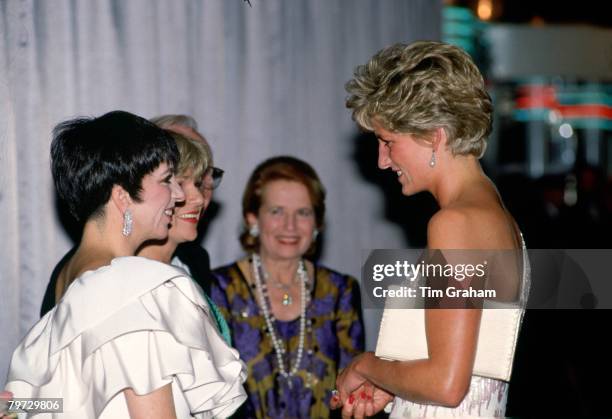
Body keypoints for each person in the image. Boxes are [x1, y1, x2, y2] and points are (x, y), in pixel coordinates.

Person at [332, 41, 529, 418]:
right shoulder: (493, 215)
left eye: (389, 142)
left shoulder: (455, 223)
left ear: (434, 136)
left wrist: (366, 365)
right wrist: (394, 384)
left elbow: (446, 384)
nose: (382, 160)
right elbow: (474, 367)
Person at [5, 111, 246, 418]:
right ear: (122, 196)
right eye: (167, 180)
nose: (178, 195)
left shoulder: (79, 283)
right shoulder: (133, 289)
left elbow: (59, 402)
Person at [211, 156, 365, 418]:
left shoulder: (341, 291)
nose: (290, 226)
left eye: (303, 212)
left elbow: (354, 396)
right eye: (276, 211)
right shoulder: (219, 289)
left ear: (317, 223)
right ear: (252, 219)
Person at [40, 114, 225, 317]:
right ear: (124, 193)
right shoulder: (105, 276)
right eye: (169, 181)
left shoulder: (191, 260)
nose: (195, 197)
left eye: (201, 181)